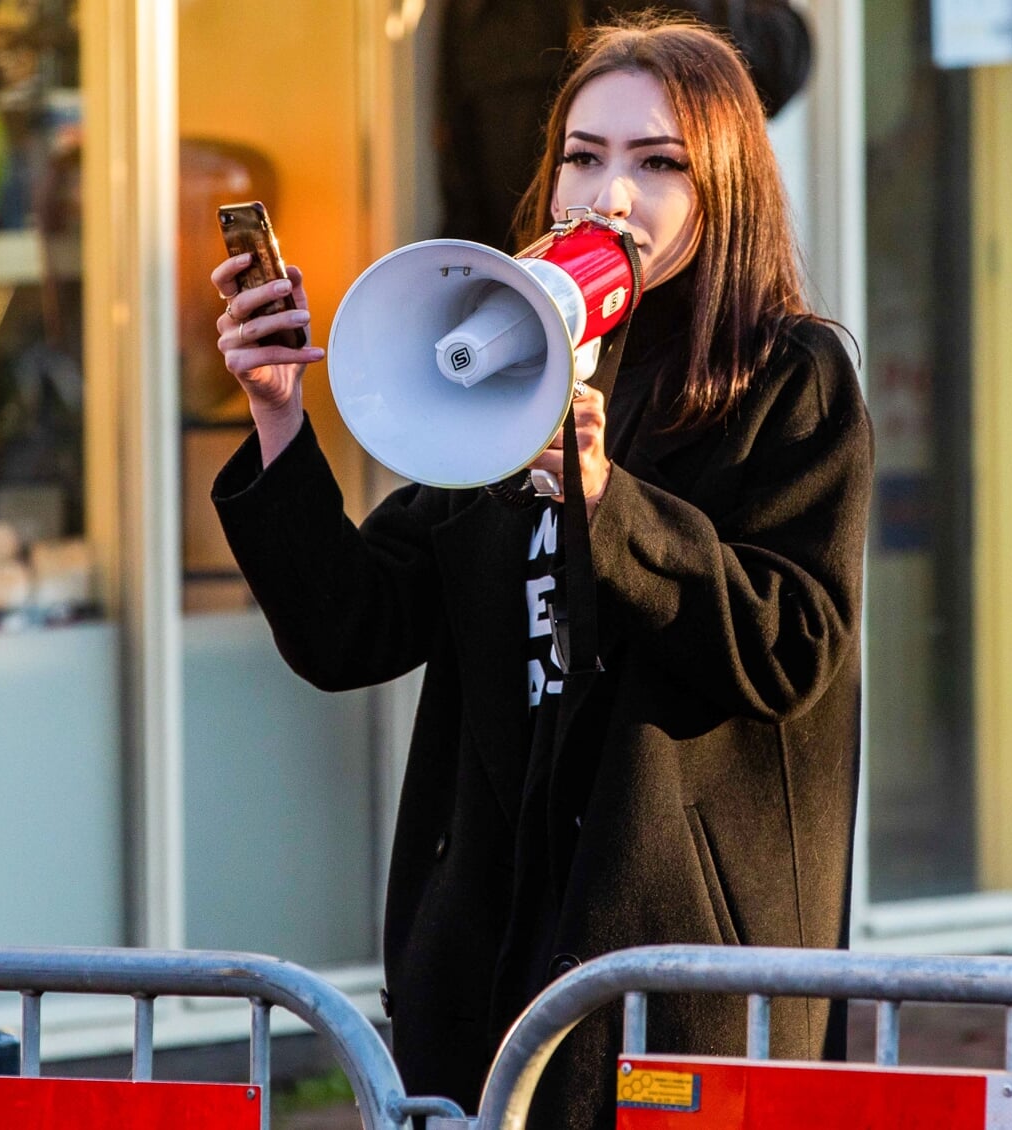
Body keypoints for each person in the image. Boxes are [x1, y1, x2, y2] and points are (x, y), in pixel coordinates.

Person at [208, 15, 871, 1127]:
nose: (610, 194)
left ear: (728, 190)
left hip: (676, 984)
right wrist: (281, 423)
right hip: (488, 971)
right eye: (583, 155)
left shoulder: (787, 381)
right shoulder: (507, 362)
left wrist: (610, 500)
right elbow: (349, 630)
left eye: (659, 163)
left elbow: (789, 645)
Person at [437, 0, 813, 249]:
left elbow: (779, 69)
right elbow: (460, 172)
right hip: (533, 299)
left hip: (687, 305)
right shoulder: (481, 12)